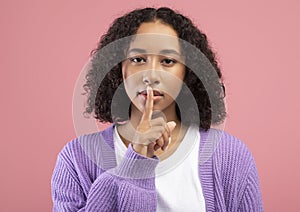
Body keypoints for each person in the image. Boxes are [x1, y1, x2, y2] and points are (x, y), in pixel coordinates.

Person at [51, 7, 264, 211]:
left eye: (168, 61)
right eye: (138, 59)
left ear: (187, 73)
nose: (151, 75)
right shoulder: (76, 158)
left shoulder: (230, 156)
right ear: (120, 69)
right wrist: (136, 160)